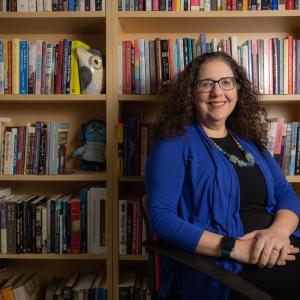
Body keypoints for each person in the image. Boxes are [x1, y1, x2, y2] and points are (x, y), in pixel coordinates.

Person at [145, 51, 300, 300]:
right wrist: (235, 248)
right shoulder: (173, 141)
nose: (218, 92)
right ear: (192, 93)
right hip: (222, 266)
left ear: (237, 90)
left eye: (226, 82)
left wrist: (278, 233)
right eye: (206, 84)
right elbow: (161, 219)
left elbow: (285, 194)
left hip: (277, 246)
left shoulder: (248, 141)